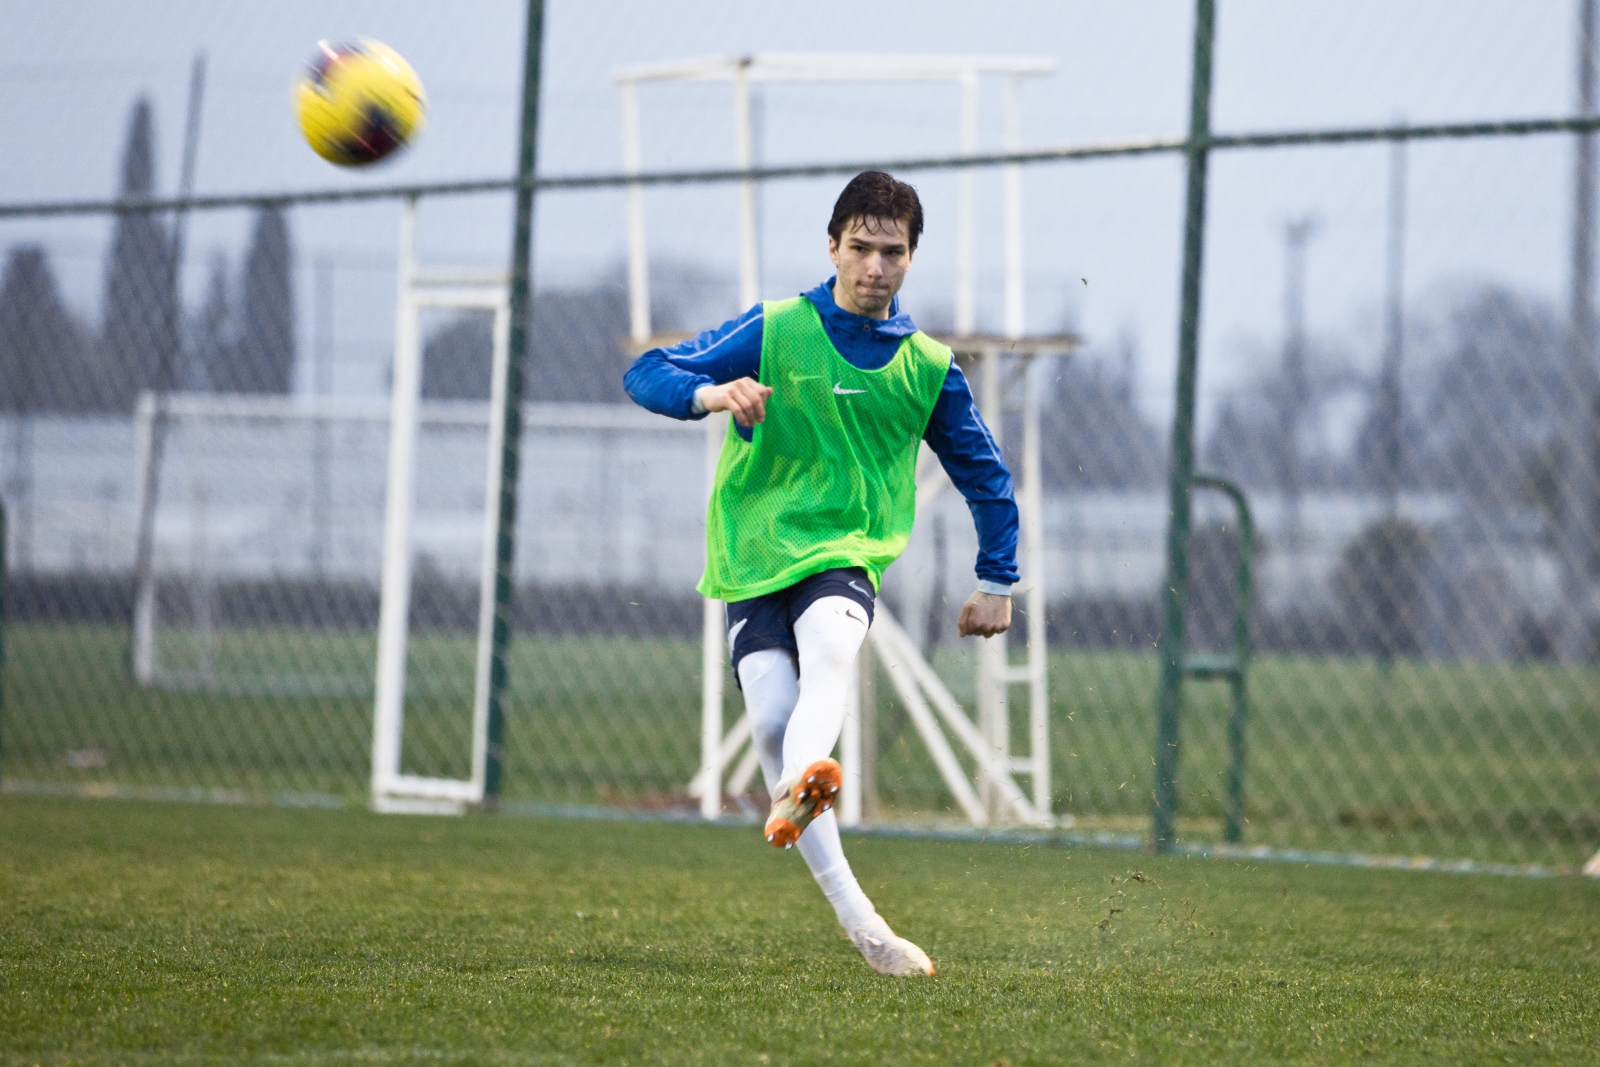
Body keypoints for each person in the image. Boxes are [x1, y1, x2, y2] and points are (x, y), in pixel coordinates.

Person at [623, 170, 1019, 977]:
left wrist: (998, 580)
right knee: (771, 715)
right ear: (832, 247)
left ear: (912, 259)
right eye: (862, 248)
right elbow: (647, 371)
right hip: (754, 550)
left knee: (831, 649)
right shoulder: (775, 327)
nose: (876, 266)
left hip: (847, 550)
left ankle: (807, 781)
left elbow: (986, 475)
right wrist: (710, 393)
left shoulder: (928, 367)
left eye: (893, 252)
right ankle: (865, 926)